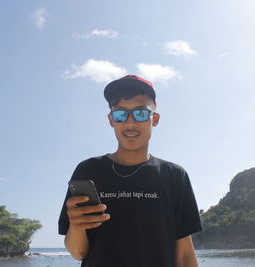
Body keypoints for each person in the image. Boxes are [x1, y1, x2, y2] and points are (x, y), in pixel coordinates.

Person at [58, 75, 203, 267]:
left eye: (141, 113)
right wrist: (76, 227)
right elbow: (78, 252)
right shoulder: (88, 170)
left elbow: (184, 256)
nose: (130, 123)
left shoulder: (175, 176)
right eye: (121, 114)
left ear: (155, 119)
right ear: (111, 120)